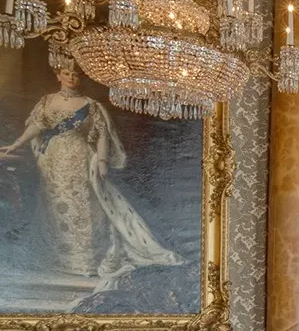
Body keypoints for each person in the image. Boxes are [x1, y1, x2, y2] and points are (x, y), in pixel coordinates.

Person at [0, 61, 181, 283]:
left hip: (81, 158)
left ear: (81, 78)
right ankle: (59, 260)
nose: (71, 78)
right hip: (53, 161)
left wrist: (103, 160)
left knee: (84, 206)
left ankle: (85, 261)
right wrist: (16, 144)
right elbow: (37, 127)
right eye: (66, 73)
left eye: (75, 74)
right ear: (59, 75)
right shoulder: (47, 101)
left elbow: (102, 135)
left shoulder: (90, 105)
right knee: (56, 206)